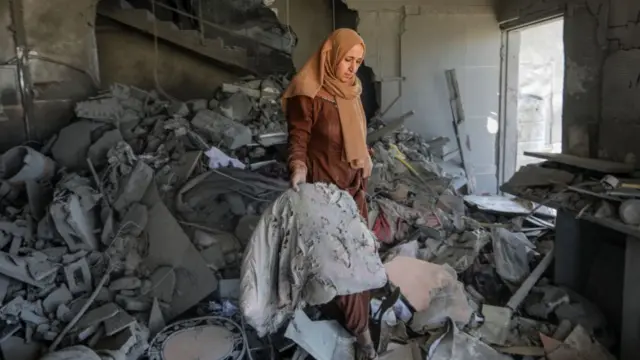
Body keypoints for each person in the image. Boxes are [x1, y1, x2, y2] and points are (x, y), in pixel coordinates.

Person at [281, 29, 377, 359]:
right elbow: (299, 137)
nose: (352, 68)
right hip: (326, 194)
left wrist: (365, 156)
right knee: (344, 267)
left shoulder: (352, 90)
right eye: (347, 60)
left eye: (358, 61)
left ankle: (351, 318)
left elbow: (356, 136)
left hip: (355, 192)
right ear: (331, 56)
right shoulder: (308, 92)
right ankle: (362, 335)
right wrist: (298, 167)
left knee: (360, 259)